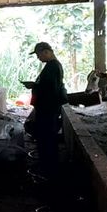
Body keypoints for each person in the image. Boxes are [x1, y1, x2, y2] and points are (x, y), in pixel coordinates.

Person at [26, 41, 67, 177]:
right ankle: (48, 165)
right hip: (48, 108)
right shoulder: (52, 66)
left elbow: (51, 90)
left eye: (39, 54)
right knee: (46, 137)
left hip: (48, 109)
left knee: (47, 137)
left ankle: (48, 168)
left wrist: (35, 86)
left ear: (46, 52)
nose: (38, 57)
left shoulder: (53, 67)